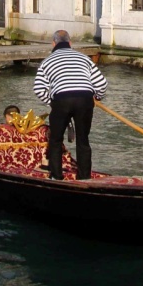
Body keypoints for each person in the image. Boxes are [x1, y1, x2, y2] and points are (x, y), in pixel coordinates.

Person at [33, 30, 108, 180]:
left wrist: (52, 103)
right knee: (83, 140)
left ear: (53, 43)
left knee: (55, 140)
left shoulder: (47, 61)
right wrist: (97, 97)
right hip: (85, 99)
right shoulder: (84, 58)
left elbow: (39, 88)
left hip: (61, 100)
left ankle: (56, 176)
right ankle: (84, 177)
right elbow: (102, 84)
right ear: (70, 43)